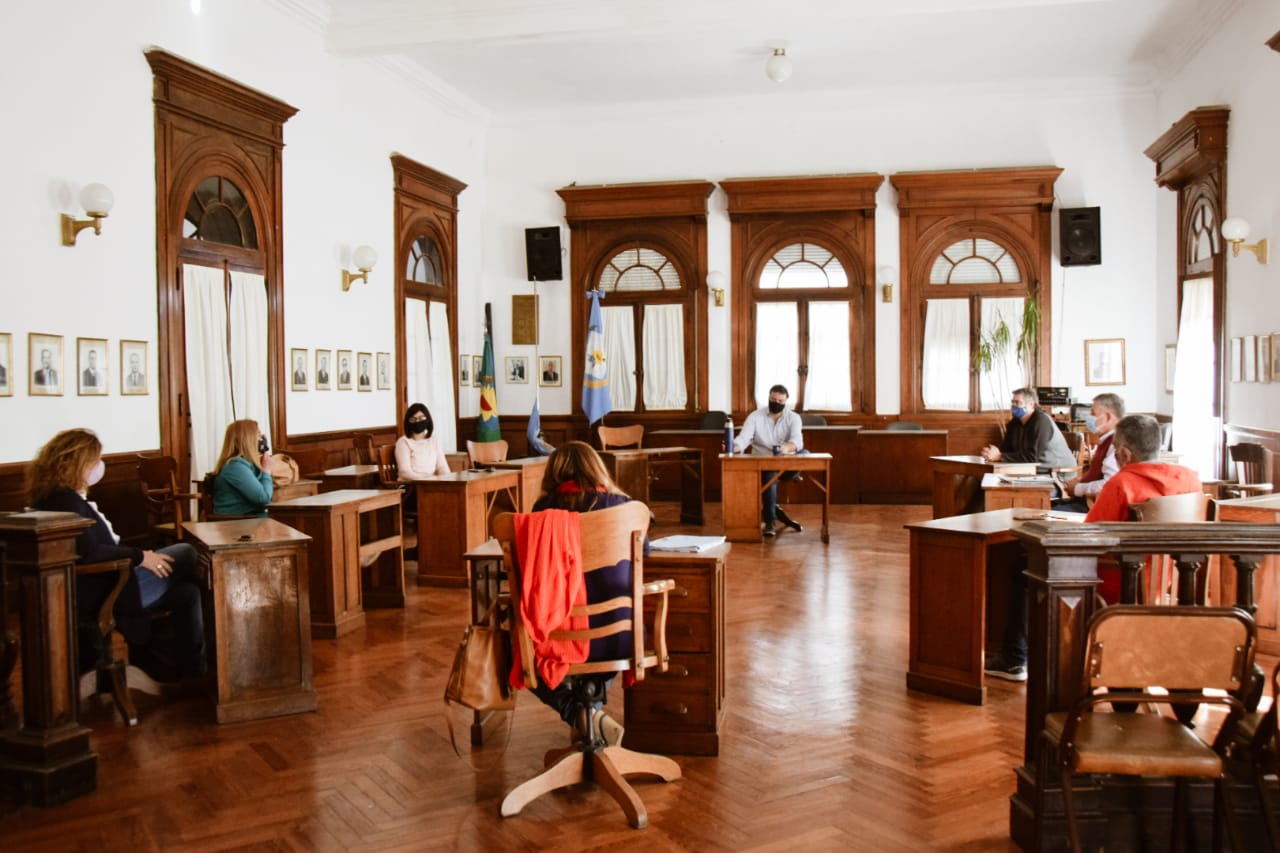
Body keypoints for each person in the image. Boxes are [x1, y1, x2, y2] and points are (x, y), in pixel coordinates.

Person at [985, 414, 1201, 682]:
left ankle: (1014, 659)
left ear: (1124, 454)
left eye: (1115, 450)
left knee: (1024, 566)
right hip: (1169, 578)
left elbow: (1088, 537)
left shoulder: (1122, 483)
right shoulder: (1189, 480)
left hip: (1119, 580)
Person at [27, 428, 206, 682]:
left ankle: (191, 671)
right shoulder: (66, 501)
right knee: (188, 553)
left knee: (189, 592)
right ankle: (182, 664)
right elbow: (91, 552)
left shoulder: (63, 498)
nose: (100, 466)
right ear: (78, 463)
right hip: (110, 588)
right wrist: (141, 557)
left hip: (109, 579)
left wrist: (142, 557)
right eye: (95, 460)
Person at [526, 440, 648, 747]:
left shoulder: (542, 511)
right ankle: (590, 717)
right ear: (598, 469)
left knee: (515, 646)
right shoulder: (625, 508)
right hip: (619, 637)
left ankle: (580, 714)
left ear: (553, 474)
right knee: (605, 620)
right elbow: (644, 553)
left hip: (560, 637)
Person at [733, 383, 804, 537]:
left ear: (786, 401)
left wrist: (786, 447)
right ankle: (770, 520)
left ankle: (771, 508)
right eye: (773, 400)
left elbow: (797, 441)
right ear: (768, 398)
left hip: (785, 463)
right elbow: (743, 438)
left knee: (805, 454)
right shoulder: (755, 416)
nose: (776, 403)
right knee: (770, 475)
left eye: (780, 401)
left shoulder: (794, 418)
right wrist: (734, 447)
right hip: (763, 464)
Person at [1054, 393, 1124, 513]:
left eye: (1093, 414)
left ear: (1108, 417)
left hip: (1095, 506)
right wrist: (1080, 480)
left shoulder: (1115, 444)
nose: (1089, 418)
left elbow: (1109, 484)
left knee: (1043, 512)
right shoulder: (1106, 441)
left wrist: (1077, 488)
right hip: (1084, 500)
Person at [980, 387, 1076, 470]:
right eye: (1012, 402)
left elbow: (1032, 457)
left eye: (1017, 402)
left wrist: (1000, 456)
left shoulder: (1041, 421)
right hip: (1031, 469)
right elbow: (1006, 450)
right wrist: (992, 454)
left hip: (1058, 472)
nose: (1013, 406)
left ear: (1031, 405)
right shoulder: (1015, 422)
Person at [211, 420, 274, 516]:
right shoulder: (235, 467)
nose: (262, 439)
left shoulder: (248, 465)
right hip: (237, 521)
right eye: (259, 435)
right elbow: (264, 499)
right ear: (248, 440)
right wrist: (266, 471)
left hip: (252, 518)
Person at [395, 402, 450, 481]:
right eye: (413, 419)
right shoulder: (403, 442)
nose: (417, 422)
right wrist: (428, 480)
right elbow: (405, 472)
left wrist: (449, 480)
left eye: (421, 418)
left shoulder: (434, 440)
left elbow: (442, 466)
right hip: (411, 484)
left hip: (431, 483)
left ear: (427, 419)